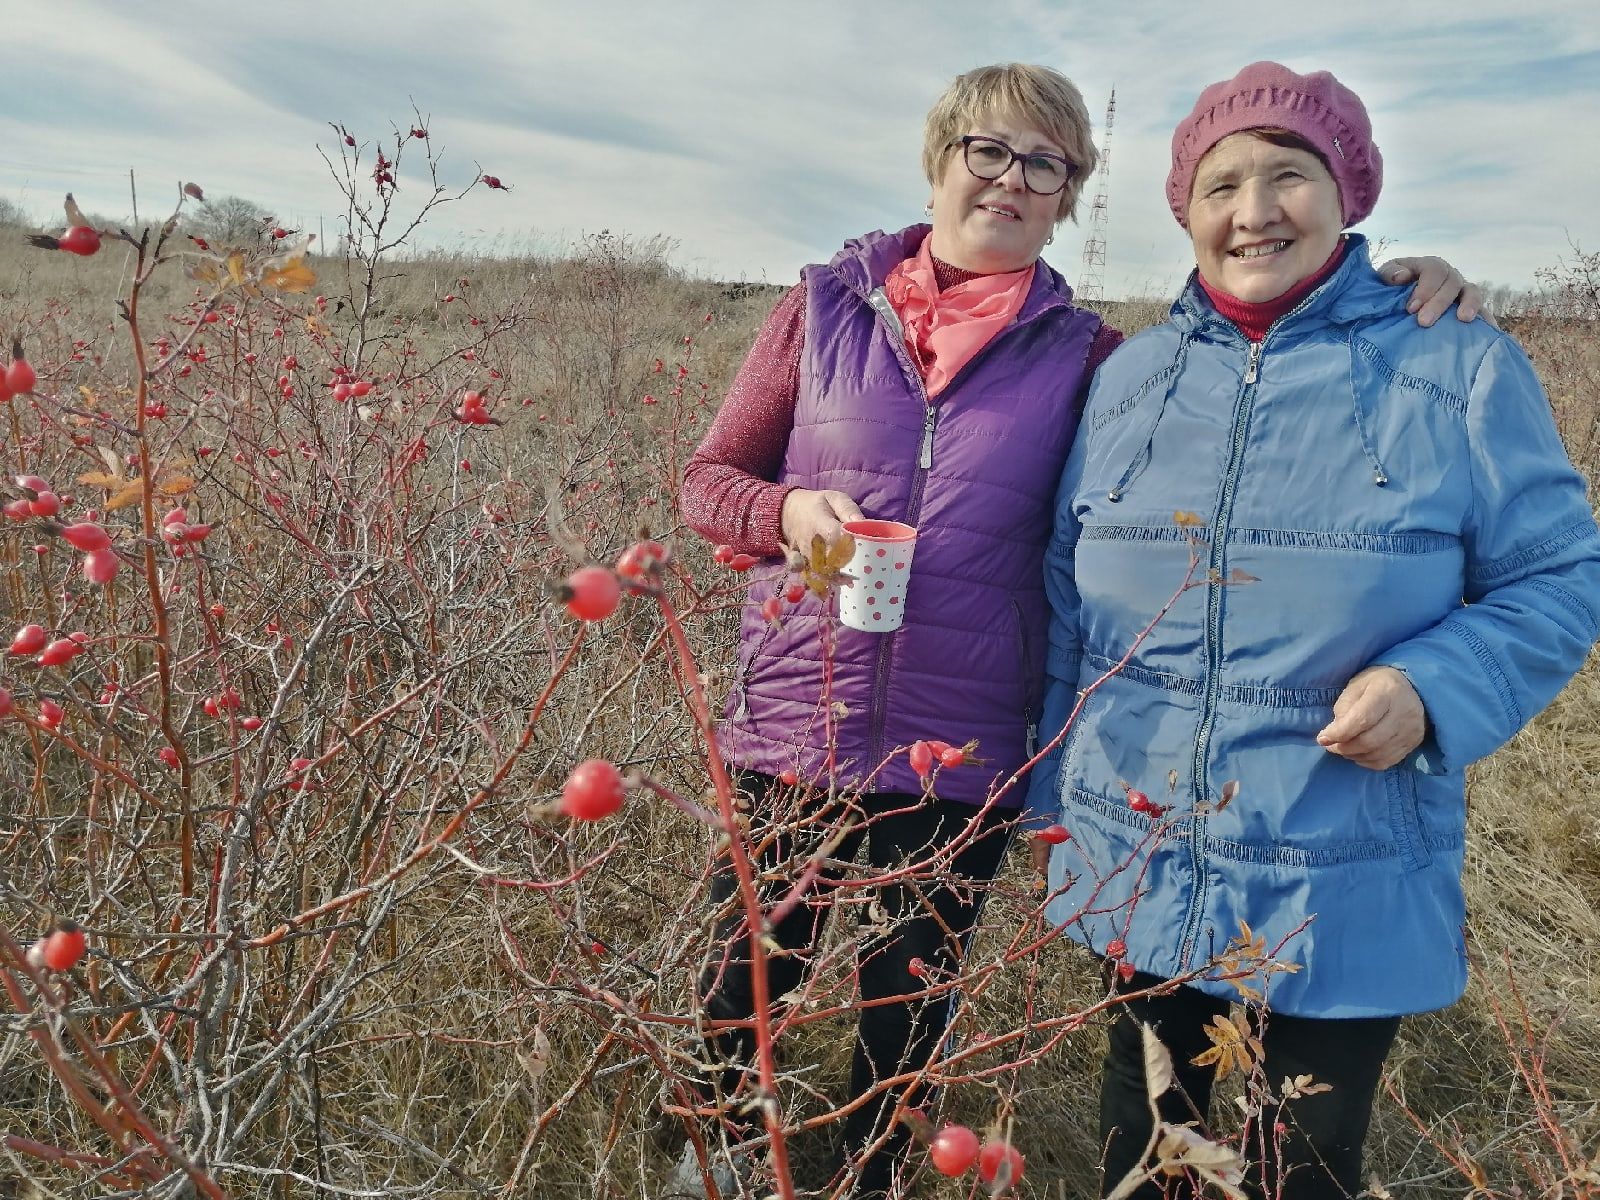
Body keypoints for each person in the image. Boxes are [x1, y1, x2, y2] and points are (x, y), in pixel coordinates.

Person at [675, 62, 1478, 1200]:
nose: (1009, 179)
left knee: (904, 1005)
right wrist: (782, 513)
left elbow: (1222, 415)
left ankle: (866, 1180)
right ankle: (704, 1155)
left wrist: (1411, 284)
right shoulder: (820, 311)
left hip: (959, 739)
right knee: (743, 975)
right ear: (940, 159)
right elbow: (708, 480)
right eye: (986, 152)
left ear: (1070, 196)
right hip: (801, 710)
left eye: (1043, 163)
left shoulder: (1092, 358)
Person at [1035, 60, 1600, 1200]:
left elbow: (1558, 578)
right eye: (1221, 183)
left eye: (1287, 175)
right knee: (1144, 1153)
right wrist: (1054, 806)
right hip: (1140, 855)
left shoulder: (1454, 361)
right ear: (1182, 210)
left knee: (1303, 1166)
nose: (1253, 211)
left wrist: (1434, 686)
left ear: (1347, 194)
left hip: (1341, 864)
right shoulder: (1128, 378)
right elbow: (1063, 599)